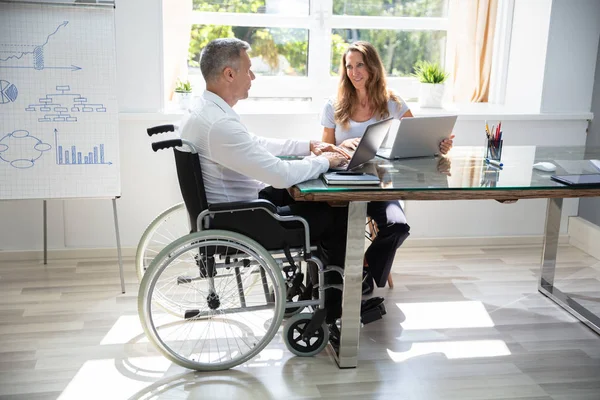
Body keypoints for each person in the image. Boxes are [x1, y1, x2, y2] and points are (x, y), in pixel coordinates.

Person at [179, 38, 350, 322]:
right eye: (248, 69)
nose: (253, 76)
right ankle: (331, 307)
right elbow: (280, 175)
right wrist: (326, 162)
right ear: (229, 74)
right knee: (337, 214)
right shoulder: (219, 124)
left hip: (235, 211)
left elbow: (254, 143)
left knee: (318, 205)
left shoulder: (206, 112)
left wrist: (307, 146)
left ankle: (310, 288)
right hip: (246, 219)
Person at [321, 41, 454, 294]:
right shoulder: (334, 105)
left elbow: (419, 139)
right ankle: (342, 284)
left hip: (380, 185)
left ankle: (365, 268)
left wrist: (441, 145)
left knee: (398, 227)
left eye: (360, 65)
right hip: (345, 186)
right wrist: (344, 147)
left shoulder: (392, 103)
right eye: (349, 66)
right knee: (336, 231)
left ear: (372, 67)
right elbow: (324, 149)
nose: (354, 72)